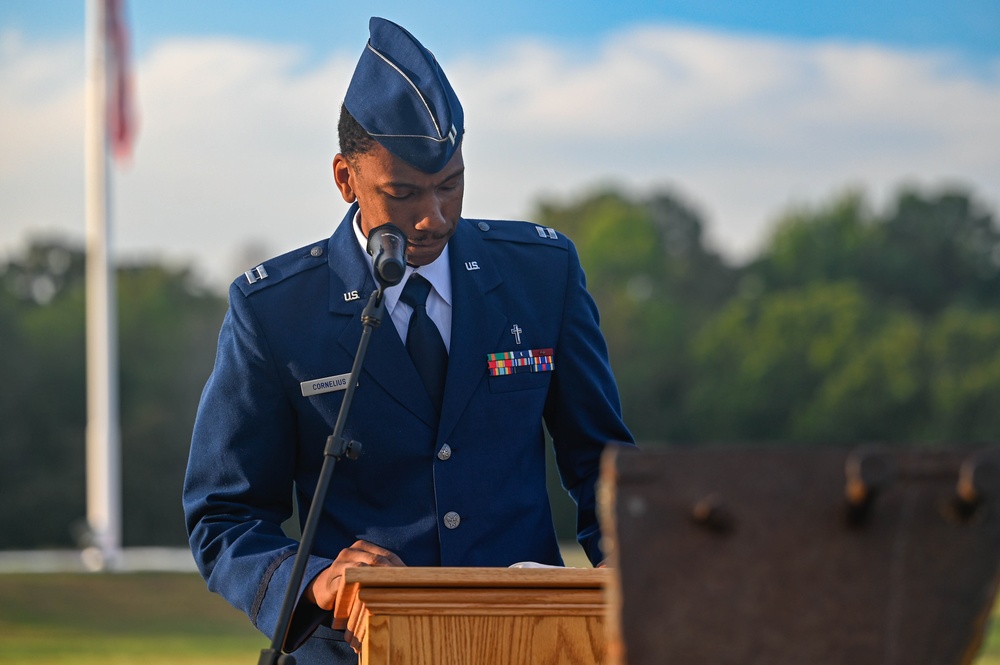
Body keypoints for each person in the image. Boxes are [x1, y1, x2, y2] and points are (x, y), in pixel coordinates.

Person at [183, 16, 635, 664]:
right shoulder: (274, 310)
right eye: (403, 193)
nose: (435, 216)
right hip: (353, 651)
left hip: (531, 642)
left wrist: (636, 592)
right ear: (345, 179)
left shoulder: (543, 273)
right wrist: (315, 578)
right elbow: (222, 516)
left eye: (451, 184)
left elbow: (605, 468)